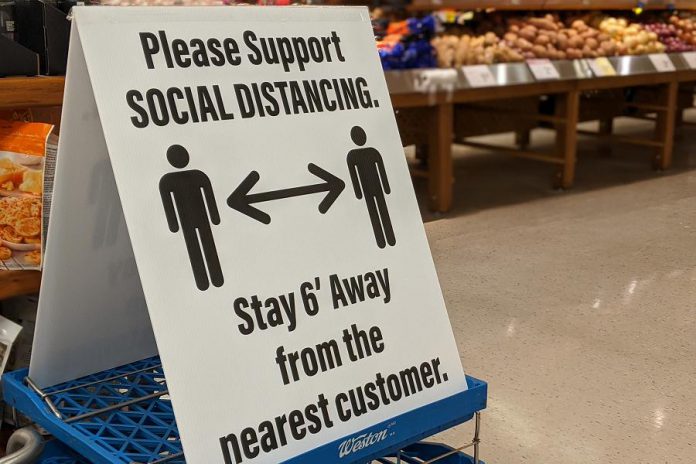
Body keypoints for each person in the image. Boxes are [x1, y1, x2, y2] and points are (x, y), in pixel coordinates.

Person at [159, 144, 224, 290]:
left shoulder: (198, 175)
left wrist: (214, 217)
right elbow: (168, 204)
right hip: (188, 222)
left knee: (208, 246)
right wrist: (173, 224)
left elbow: (208, 195)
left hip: (202, 220)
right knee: (194, 248)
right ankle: (203, 282)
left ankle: (216, 278)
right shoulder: (167, 181)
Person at [346, 126, 396, 248]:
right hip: (368, 189)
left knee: (382, 211)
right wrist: (358, 192)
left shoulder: (370, 152)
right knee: (374, 213)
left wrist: (386, 187)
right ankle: (381, 241)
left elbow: (381, 170)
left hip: (376, 188)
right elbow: (354, 176)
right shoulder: (353, 155)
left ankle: (390, 239)